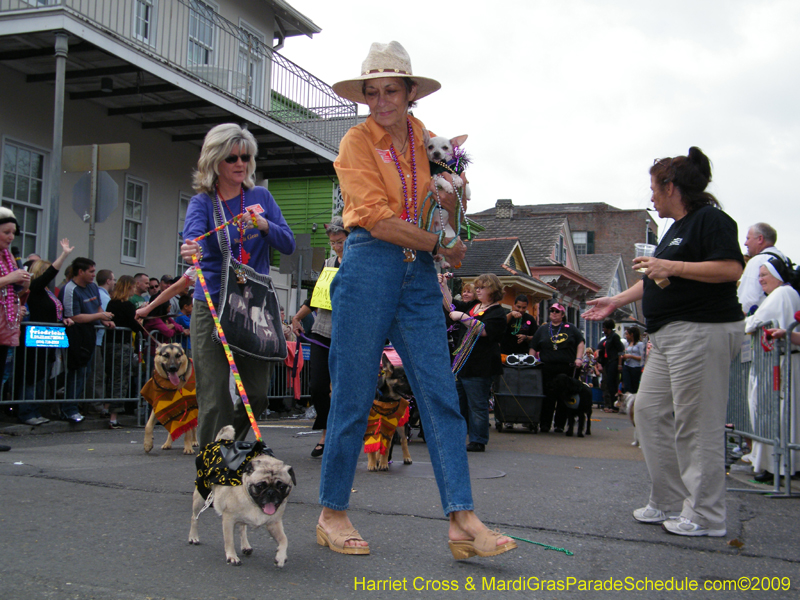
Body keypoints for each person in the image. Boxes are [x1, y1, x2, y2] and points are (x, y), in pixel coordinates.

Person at [316, 41, 515, 558]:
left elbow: (447, 204)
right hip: (368, 265)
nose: (381, 100)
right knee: (354, 394)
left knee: (439, 394)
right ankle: (332, 512)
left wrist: (453, 206)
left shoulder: (431, 141)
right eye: (372, 92)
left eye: (391, 90)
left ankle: (461, 518)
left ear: (410, 94)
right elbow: (377, 217)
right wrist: (441, 244)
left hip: (420, 275)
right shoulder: (355, 143)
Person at [583, 147, 744, 537]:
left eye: (654, 188)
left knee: (696, 423)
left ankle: (706, 515)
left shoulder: (711, 220)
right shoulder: (675, 229)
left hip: (702, 330)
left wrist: (670, 265)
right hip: (669, 334)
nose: (651, 197)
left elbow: (730, 268)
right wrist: (616, 300)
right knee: (650, 412)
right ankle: (670, 501)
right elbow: (655, 277)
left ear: (671, 187)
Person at [180, 123, 295, 447]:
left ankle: (226, 448)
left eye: (245, 156)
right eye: (232, 157)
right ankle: (211, 472)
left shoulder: (261, 196)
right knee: (214, 395)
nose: (240, 163)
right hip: (212, 303)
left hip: (253, 305)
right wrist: (191, 249)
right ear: (215, 160)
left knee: (256, 395)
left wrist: (263, 224)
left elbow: (288, 243)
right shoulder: (203, 202)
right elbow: (191, 239)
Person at [290, 216, 348, 458]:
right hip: (323, 330)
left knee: (344, 388)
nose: (336, 247)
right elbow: (316, 295)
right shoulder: (329, 262)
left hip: (348, 332)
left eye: (340, 242)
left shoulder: (360, 262)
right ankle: (325, 431)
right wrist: (297, 318)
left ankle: (338, 437)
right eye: (333, 243)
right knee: (318, 387)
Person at [744, 258, 800, 482]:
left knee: (771, 412)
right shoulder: (790, 294)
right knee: (786, 414)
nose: (760, 279)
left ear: (777, 275)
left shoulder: (781, 295)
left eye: (764, 274)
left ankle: (774, 465)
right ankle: (787, 463)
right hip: (786, 362)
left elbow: (755, 323)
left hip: (779, 364)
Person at [16, 240, 75, 425]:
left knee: (42, 374)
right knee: (31, 375)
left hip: (47, 338)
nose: (52, 276)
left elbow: (54, 310)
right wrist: (64, 255)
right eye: (49, 272)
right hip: (33, 338)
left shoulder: (48, 292)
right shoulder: (35, 289)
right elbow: (50, 273)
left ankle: (36, 409)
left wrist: (62, 319)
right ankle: (26, 411)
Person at [446, 273, 505, 452]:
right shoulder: (475, 305)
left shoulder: (497, 312)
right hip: (463, 363)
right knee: (458, 403)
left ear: (492, 290)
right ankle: (457, 436)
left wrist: (463, 318)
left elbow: (485, 331)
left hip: (481, 365)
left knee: (477, 404)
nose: (477, 290)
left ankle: (478, 439)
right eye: (477, 287)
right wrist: (443, 286)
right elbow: (451, 305)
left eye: (482, 287)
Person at [62, 257, 115, 422]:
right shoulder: (70, 289)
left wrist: (103, 320)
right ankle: (69, 409)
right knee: (77, 372)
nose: (94, 275)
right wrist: (100, 315)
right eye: (91, 271)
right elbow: (74, 316)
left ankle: (75, 406)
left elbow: (98, 307)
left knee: (86, 373)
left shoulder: (92, 287)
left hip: (90, 333)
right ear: (80, 272)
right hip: (76, 333)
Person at [528, 302, 585, 432]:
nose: (554, 313)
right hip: (547, 367)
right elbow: (533, 346)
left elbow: (580, 342)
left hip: (566, 367)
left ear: (562, 314)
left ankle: (559, 424)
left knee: (563, 396)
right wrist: (531, 361)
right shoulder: (543, 329)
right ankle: (545, 424)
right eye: (552, 310)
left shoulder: (570, 328)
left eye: (557, 311)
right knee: (547, 396)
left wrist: (579, 358)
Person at [0, 207, 33, 422]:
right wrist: (11, 278)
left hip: (5, 324)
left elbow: (14, 289)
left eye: (13, 233)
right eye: (6, 232)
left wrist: (23, 283)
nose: (11, 237)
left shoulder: (8, 256)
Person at [104, 275, 145, 429]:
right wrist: (140, 322)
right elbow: (135, 326)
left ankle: (106, 408)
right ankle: (113, 417)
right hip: (123, 345)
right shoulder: (127, 306)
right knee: (120, 379)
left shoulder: (111, 303)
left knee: (111, 377)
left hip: (109, 344)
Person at [737, 223, 788, 316]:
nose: (745, 243)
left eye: (748, 238)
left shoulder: (758, 260)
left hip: (759, 321)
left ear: (760, 239)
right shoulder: (784, 259)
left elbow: (749, 297)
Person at [600, 319, 624, 412]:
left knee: (612, 383)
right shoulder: (608, 337)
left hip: (614, 362)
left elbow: (620, 350)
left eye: (604, 327)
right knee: (608, 384)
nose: (603, 329)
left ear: (608, 328)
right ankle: (610, 405)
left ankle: (614, 406)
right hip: (608, 362)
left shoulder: (615, 337)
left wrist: (619, 364)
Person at [620, 326, 645, 394]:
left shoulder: (640, 344)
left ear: (632, 335)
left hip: (635, 367)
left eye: (627, 334)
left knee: (634, 386)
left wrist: (631, 356)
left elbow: (642, 357)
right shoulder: (627, 344)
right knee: (627, 385)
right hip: (627, 366)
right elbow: (623, 352)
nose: (626, 336)